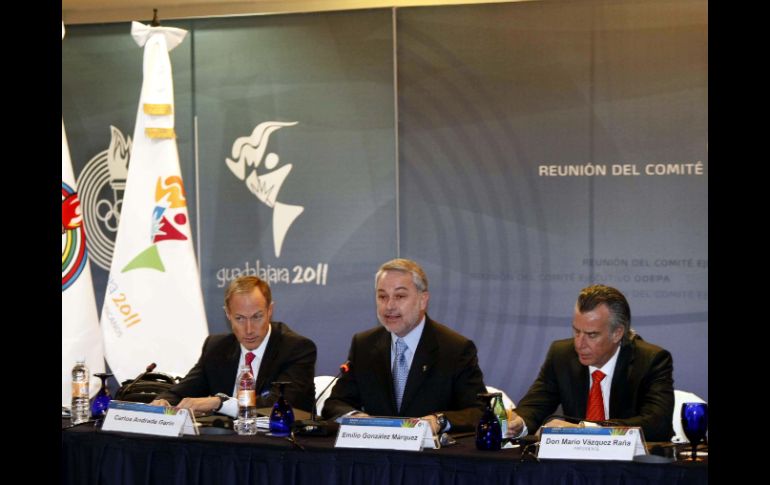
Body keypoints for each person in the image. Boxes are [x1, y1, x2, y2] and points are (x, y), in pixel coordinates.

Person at [322, 258, 487, 434]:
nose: (389, 306)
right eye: (382, 296)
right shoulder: (364, 345)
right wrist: (357, 418)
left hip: (429, 457)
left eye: (400, 296)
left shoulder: (455, 349)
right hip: (373, 454)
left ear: (423, 300)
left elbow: (478, 411)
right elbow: (334, 404)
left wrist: (439, 421)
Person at [508, 284, 674, 442]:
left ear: (617, 333)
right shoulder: (562, 355)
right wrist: (519, 423)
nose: (579, 343)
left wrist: (586, 429)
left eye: (592, 335)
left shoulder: (651, 360)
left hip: (631, 465)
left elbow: (657, 425)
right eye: (576, 331)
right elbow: (535, 405)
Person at [151, 275, 317, 415]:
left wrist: (220, 403)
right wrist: (163, 402)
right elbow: (183, 391)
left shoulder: (296, 349)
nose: (249, 329)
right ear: (228, 314)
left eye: (257, 317)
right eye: (240, 318)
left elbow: (279, 404)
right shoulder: (216, 347)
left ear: (269, 310)